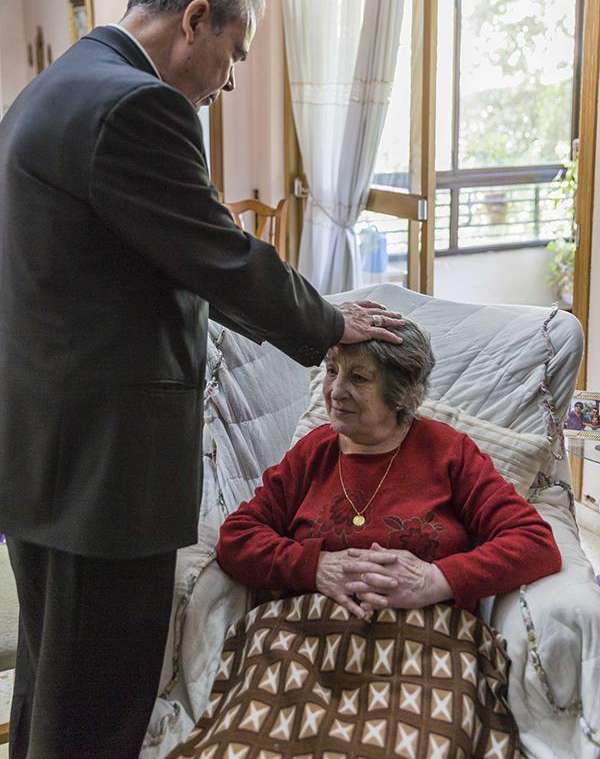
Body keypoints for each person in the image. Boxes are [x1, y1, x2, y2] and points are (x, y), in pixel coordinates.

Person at [0, 0, 403, 759]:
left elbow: (167, 258)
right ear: (194, 21)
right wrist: (328, 322)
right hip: (105, 468)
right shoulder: (137, 107)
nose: (227, 82)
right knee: (102, 698)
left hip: (45, 451)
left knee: (53, 682)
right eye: (235, 53)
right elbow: (217, 252)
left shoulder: (52, 89)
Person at [179, 319, 562, 758]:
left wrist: (437, 580)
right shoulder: (313, 453)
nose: (335, 390)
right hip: (300, 641)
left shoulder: (449, 451)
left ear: (402, 393)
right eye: (330, 370)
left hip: (426, 645)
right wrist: (315, 567)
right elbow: (237, 538)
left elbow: (534, 542)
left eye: (358, 377)